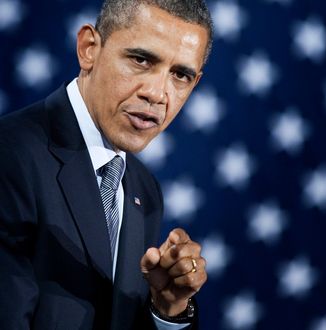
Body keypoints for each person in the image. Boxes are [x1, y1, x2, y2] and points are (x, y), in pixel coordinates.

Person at [0, 0, 213, 329]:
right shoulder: (11, 155)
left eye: (180, 75)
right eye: (141, 59)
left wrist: (168, 308)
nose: (157, 94)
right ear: (89, 49)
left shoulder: (144, 190)